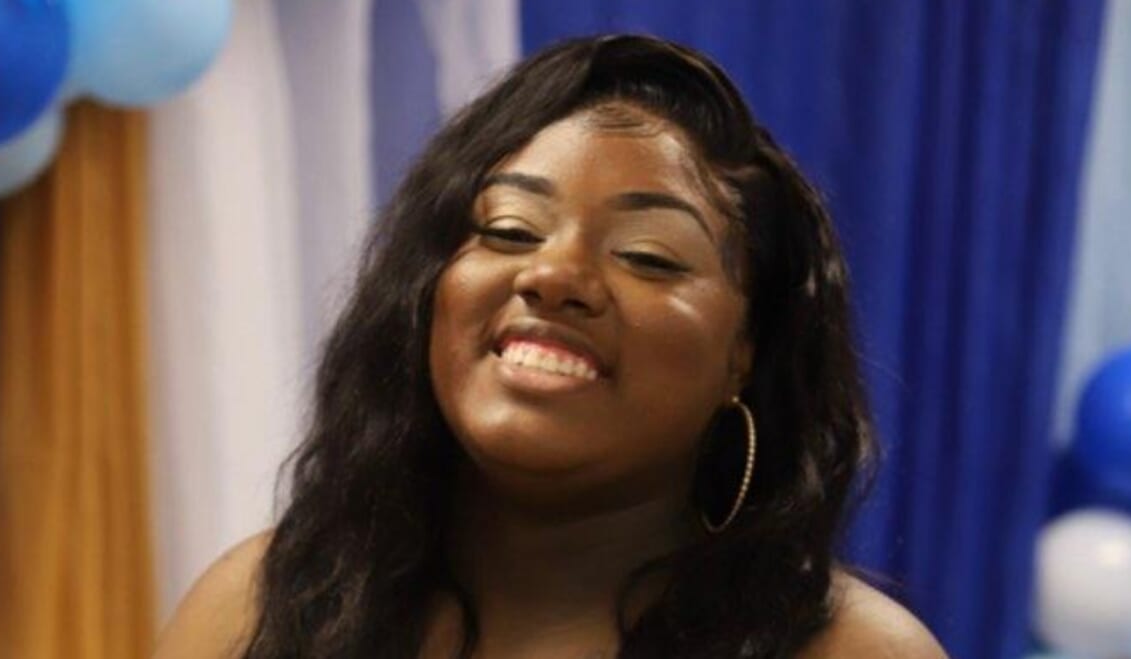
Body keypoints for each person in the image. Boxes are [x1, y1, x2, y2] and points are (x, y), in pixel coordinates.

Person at [155, 35, 947, 658]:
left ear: (746, 351)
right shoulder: (257, 608)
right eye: (509, 230)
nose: (555, 275)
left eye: (648, 255)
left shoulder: (855, 650)